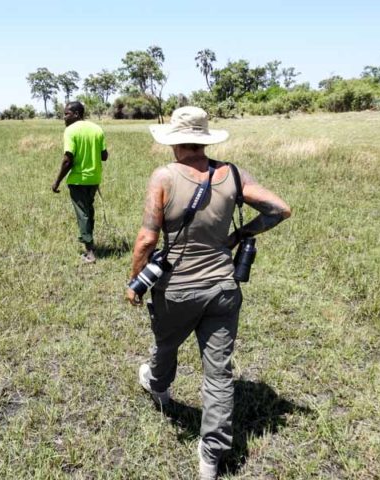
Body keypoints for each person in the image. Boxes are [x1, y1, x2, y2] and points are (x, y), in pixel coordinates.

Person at [125, 106, 291, 479]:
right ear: (203, 140)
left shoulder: (164, 176)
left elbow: (147, 239)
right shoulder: (232, 173)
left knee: (166, 344)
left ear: (174, 142)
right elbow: (279, 209)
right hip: (223, 288)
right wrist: (240, 235)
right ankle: (211, 455)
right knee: (218, 373)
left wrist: (135, 282)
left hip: (177, 290)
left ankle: (160, 389)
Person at [52, 101, 109, 263]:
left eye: (66, 114)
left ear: (77, 114)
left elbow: (67, 160)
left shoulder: (70, 131)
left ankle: (90, 252)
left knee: (82, 214)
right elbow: (104, 156)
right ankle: (88, 239)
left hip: (78, 180)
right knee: (89, 211)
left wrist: (56, 182)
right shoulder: (97, 129)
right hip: (94, 179)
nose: (64, 117)